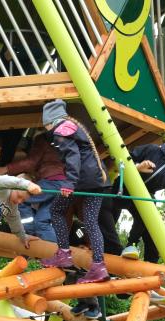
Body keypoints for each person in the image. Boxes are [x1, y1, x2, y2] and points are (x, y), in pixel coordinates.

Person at [98, 132, 165, 264]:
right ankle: (109, 249)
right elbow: (123, 159)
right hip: (121, 191)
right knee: (103, 206)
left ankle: (132, 245)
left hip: (143, 199)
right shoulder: (152, 150)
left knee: (151, 215)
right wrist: (137, 167)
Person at [38, 99, 110, 284]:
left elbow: (73, 155)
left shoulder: (60, 129)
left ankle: (64, 253)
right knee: (91, 221)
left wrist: (69, 182)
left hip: (83, 180)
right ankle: (99, 265)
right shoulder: (73, 126)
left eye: (45, 124)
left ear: (49, 121)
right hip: (97, 178)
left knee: (56, 210)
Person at [0, 133, 67, 243]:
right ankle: (55, 251)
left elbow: (31, 162)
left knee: (20, 199)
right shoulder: (66, 139)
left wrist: (6, 169)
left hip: (52, 181)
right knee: (42, 222)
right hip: (65, 186)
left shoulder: (43, 138)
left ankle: (29, 234)